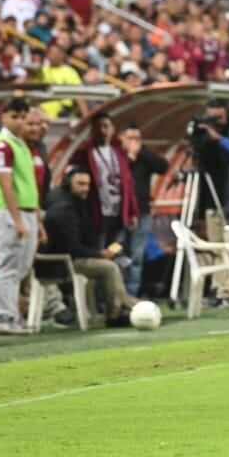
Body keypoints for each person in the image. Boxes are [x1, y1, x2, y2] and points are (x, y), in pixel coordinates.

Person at [43, 167, 134, 326]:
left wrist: (100, 252)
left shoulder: (77, 203)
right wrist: (99, 254)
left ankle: (125, 305)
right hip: (60, 263)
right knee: (109, 267)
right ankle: (116, 314)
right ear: (68, 183)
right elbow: (72, 247)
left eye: (87, 184)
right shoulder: (63, 208)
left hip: (69, 259)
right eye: (80, 184)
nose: (85, 188)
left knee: (112, 263)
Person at [0, 97, 38, 335]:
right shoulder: (2, 145)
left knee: (21, 266)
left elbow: (28, 185)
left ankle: (13, 315)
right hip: (9, 212)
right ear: (3, 116)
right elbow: (5, 184)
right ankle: (5, 316)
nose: (19, 122)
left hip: (27, 211)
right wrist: (17, 219)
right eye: (14, 117)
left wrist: (35, 218)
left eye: (22, 117)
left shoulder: (21, 145)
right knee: (7, 265)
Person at [70, 112, 137, 249]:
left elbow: (128, 184)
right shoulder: (85, 153)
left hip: (118, 213)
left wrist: (132, 211)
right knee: (99, 249)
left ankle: (115, 269)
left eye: (106, 126)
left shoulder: (119, 152)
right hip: (97, 214)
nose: (102, 131)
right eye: (98, 127)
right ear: (92, 130)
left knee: (116, 250)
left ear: (112, 129)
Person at [120, 123, 168, 297]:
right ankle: (115, 293)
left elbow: (163, 166)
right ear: (121, 139)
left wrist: (141, 152)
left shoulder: (145, 157)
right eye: (130, 138)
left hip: (142, 213)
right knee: (118, 252)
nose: (134, 142)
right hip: (118, 215)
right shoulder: (115, 156)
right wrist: (127, 157)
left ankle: (131, 293)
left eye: (137, 139)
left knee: (136, 255)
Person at [190, 98, 229, 220]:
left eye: (218, 117)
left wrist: (219, 139)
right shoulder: (204, 132)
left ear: (227, 115)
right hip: (209, 196)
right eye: (211, 117)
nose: (215, 122)